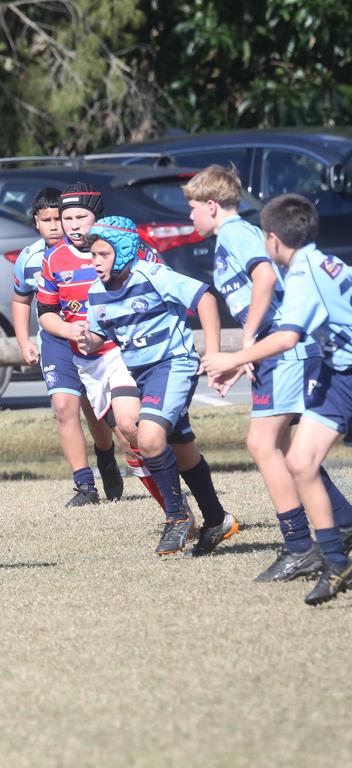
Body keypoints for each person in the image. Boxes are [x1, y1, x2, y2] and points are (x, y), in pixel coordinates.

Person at [183, 165, 352, 582]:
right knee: (286, 450)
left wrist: (244, 347)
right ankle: (342, 524)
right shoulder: (231, 237)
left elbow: (263, 278)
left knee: (263, 445)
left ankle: (298, 546)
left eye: (191, 209)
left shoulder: (237, 233)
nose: (189, 218)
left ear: (210, 205)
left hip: (284, 350)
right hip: (276, 350)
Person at [76, 217, 236, 556]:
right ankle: (217, 519)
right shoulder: (96, 293)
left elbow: (204, 297)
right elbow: (97, 337)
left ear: (121, 252)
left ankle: (177, 518)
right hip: (143, 374)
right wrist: (86, 339)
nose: (95, 261)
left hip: (174, 364)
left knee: (146, 437)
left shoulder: (152, 274)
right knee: (182, 452)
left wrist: (214, 351)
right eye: (92, 255)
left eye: (102, 254)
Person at [36, 183, 169, 512]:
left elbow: (162, 281)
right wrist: (68, 329)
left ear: (97, 217)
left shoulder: (121, 247)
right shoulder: (54, 260)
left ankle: (173, 500)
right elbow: (46, 314)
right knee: (127, 438)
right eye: (67, 218)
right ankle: (167, 494)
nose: (74, 225)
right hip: (87, 360)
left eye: (81, 216)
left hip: (120, 351)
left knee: (130, 424)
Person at [12, 187, 123, 506]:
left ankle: (106, 458)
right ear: (37, 222)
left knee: (96, 411)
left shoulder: (99, 249)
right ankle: (85, 486)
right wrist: (24, 340)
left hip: (97, 340)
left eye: (61, 218)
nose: (58, 226)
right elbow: (22, 299)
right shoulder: (32, 257)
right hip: (56, 339)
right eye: (49, 220)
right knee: (64, 408)